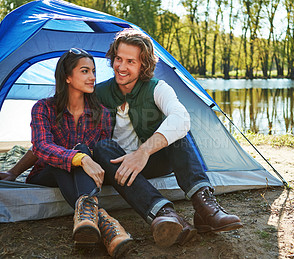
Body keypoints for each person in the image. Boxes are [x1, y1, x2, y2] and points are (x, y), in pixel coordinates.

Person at [0, 28, 243, 248]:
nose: (121, 67)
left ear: (143, 65)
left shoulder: (150, 91)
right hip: (103, 168)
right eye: (118, 59)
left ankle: (204, 206)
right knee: (95, 149)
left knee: (178, 133)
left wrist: (142, 152)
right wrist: (14, 171)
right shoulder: (82, 98)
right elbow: (49, 143)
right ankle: (151, 215)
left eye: (130, 61)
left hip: (146, 162)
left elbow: (180, 118)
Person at [21, 48, 133, 258]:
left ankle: (87, 219)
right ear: (67, 77)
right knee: (72, 154)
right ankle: (105, 222)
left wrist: (84, 157)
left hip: (85, 179)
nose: (92, 77)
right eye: (84, 71)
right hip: (49, 173)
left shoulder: (102, 114)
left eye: (93, 71)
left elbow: (101, 157)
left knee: (83, 150)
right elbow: (41, 146)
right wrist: (79, 158)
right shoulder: (43, 108)